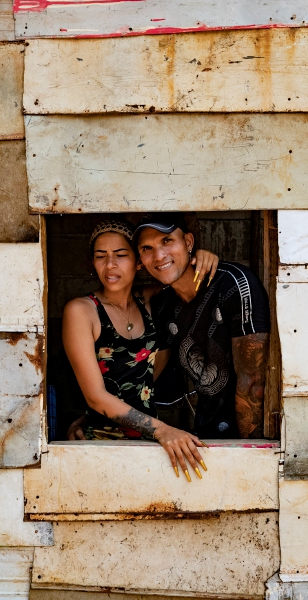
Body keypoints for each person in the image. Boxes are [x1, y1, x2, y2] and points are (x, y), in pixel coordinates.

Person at [62, 218, 219, 481]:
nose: (110, 265)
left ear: (138, 262)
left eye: (121, 255)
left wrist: (198, 256)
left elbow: (181, 275)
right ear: (93, 263)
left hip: (148, 446)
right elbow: (95, 397)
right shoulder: (82, 311)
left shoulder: (147, 299)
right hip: (100, 444)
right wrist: (163, 430)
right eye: (101, 256)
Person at [133, 213, 270, 440]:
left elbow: (253, 382)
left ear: (188, 242)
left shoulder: (234, 285)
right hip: (206, 437)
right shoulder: (163, 306)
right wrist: (98, 415)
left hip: (245, 443)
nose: (159, 255)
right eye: (147, 248)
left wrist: (248, 453)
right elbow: (150, 376)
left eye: (167, 241)